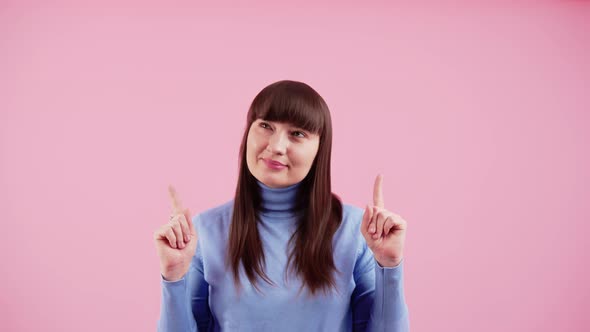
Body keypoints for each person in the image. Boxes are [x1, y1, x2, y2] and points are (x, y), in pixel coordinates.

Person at [154, 80, 410, 331]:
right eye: (265, 125)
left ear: (320, 150)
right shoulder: (204, 231)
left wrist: (389, 266)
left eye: (297, 133)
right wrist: (174, 276)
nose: (276, 146)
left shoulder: (357, 231)